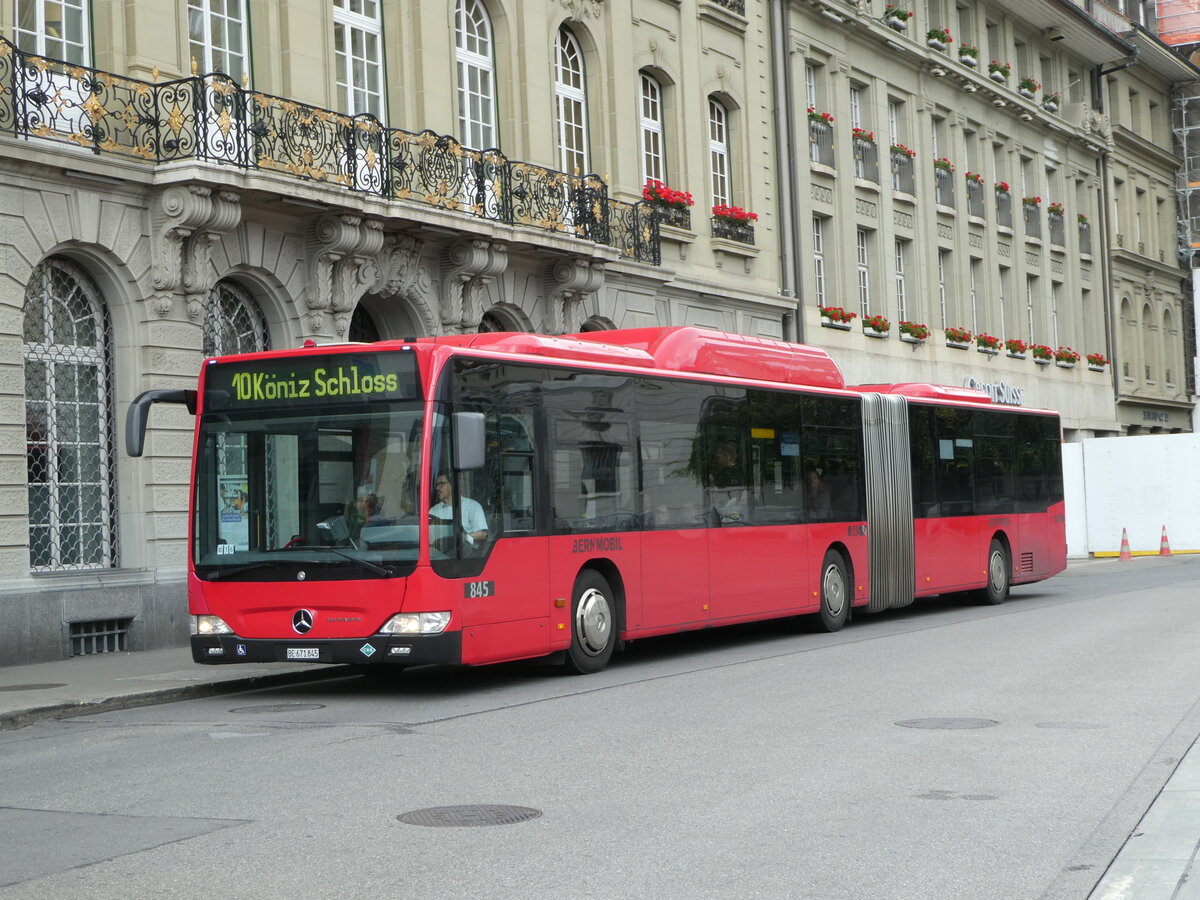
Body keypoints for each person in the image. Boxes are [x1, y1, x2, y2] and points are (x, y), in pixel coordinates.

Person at [429, 474, 489, 551]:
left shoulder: (472, 506)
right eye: (437, 484)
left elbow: (483, 534)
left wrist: (462, 538)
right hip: (439, 555)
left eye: (442, 483)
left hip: (465, 555)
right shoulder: (433, 510)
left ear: (453, 485)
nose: (437, 488)